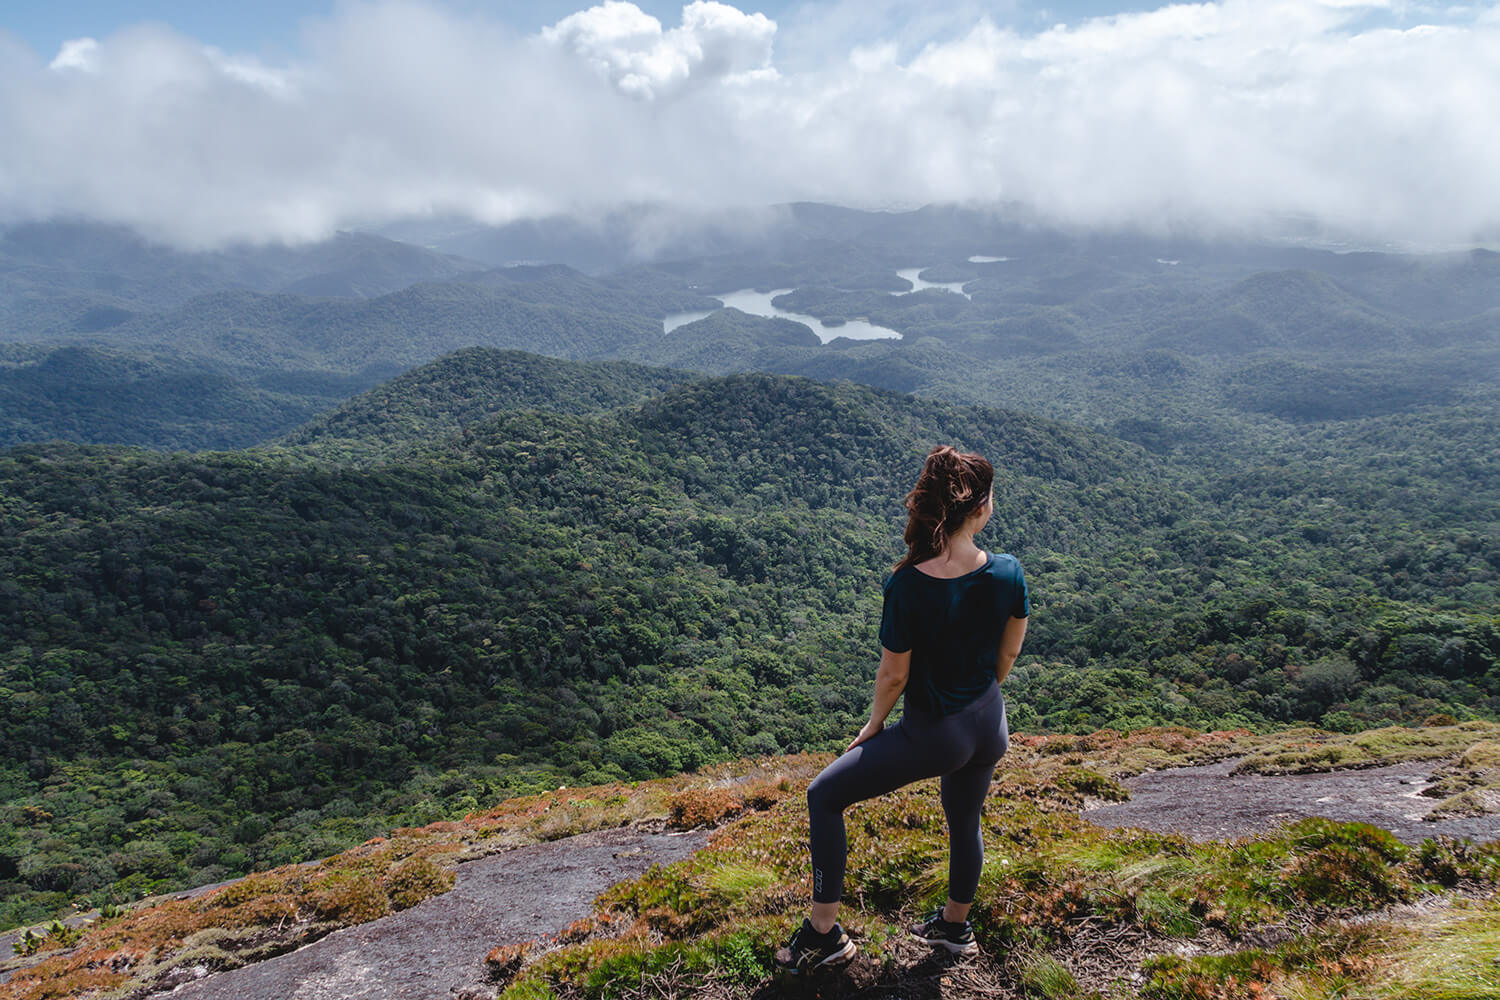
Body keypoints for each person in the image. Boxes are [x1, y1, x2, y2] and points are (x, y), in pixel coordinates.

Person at [774, 445, 1029, 974]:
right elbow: (1008, 653)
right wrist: (982, 693)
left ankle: (823, 935)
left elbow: (894, 674)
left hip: (936, 734)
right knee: (964, 818)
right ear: (979, 509)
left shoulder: (909, 584)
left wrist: (874, 724)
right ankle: (955, 928)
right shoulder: (1008, 572)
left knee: (823, 796)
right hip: (989, 724)